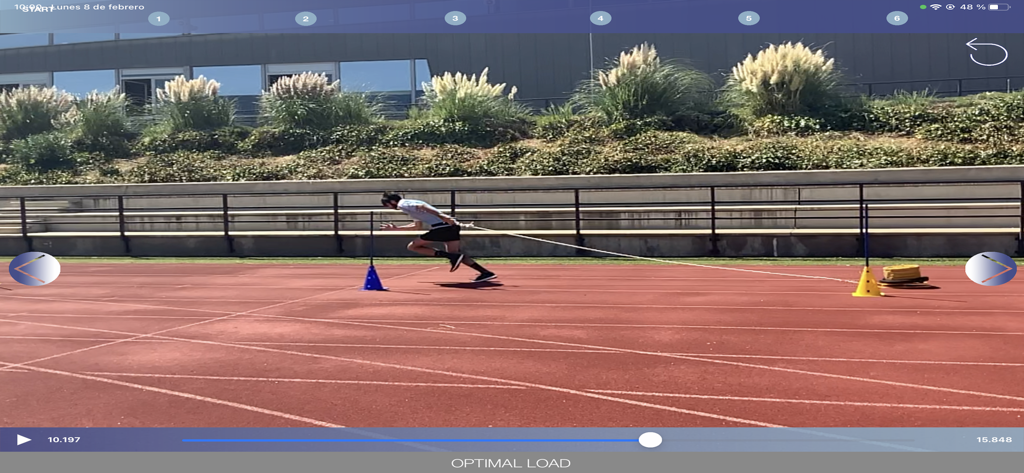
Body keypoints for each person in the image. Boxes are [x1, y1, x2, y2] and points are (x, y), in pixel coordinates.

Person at [380, 192, 497, 282]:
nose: (388, 207)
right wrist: (396, 229)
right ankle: (485, 273)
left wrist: (443, 216)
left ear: (392, 201)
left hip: (442, 227)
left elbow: (422, 206)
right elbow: (416, 226)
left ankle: (450, 256)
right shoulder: (410, 209)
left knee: (413, 246)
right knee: (457, 255)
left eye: (387, 205)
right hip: (451, 227)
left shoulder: (403, 204)